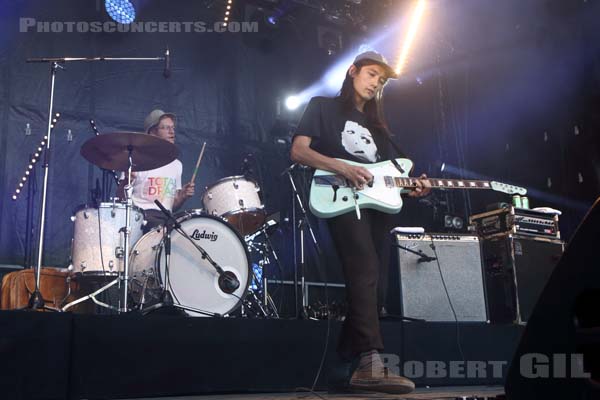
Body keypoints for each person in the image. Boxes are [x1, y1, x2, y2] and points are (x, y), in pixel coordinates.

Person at [290, 51, 431, 394]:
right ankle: (370, 363)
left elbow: (387, 174)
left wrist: (414, 187)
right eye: (371, 74)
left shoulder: (379, 126)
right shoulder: (322, 106)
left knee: (375, 283)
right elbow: (298, 151)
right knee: (364, 268)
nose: (375, 84)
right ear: (353, 72)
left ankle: (343, 364)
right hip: (339, 199)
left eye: (381, 81)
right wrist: (343, 167)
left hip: (375, 207)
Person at [118, 109, 195, 231]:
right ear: (152, 132)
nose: (172, 132)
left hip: (166, 221)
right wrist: (126, 180)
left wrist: (182, 196)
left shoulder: (177, 165)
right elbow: (120, 199)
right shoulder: (136, 160)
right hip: (140, 220)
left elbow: (171, 206)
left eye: (173, 128)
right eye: (165, 128)